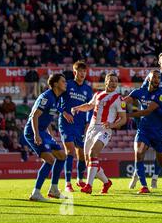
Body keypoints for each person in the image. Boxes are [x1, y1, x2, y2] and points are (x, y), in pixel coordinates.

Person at [71, 73, 127, 194]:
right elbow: (89, 106)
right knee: (89, 161)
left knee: (93, 153)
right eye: (111, 80)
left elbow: (123, 119)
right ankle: (106, 182)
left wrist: (111, 125)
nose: (113, 83)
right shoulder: (97, 95)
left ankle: (89, 186)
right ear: (106, 82)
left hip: (104, 129)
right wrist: (77, 108)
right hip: (91, 129)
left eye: (115, 81)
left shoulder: (119, 99)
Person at [24, 73, 68, 202]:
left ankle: (54, 190)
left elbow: (47, 117)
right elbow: (35, 116)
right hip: (33, 132)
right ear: (55, 84)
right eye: (63, 81)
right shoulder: (46, 96)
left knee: (62, 156)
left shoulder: (57, 98)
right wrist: (37, 134)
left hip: (43, 132)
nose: (65, 83)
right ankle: (36, 193)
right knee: (49, 160)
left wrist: (49, 133)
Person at [58, 61, 93, 192]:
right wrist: (64, 113)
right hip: (66, 124)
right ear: (75, 72)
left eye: (85, 71)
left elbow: (90, 108)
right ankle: (67, 183)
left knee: (82, 155)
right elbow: (56, 101)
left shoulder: (88, 89)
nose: (83, 74)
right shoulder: (67, 85)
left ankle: (79, 179)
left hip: (81, 125)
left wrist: (88, 123)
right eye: (80, 71)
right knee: (70, 151)